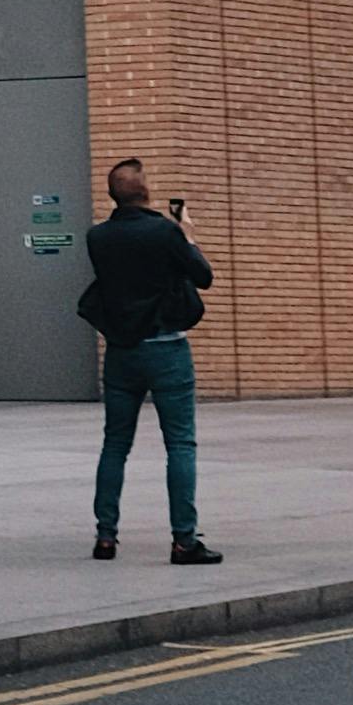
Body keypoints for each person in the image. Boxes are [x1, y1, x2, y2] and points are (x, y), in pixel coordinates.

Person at [77, 155, 221, 564]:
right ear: (146, 192)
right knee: (180, 444)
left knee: (115, 445)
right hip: (167, 348)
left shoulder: (97, 237)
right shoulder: (165, 232)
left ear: (113, 195)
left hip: (121, 352)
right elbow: (203, 276)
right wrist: (186, 234)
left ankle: (105, 537)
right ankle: (183, 541)